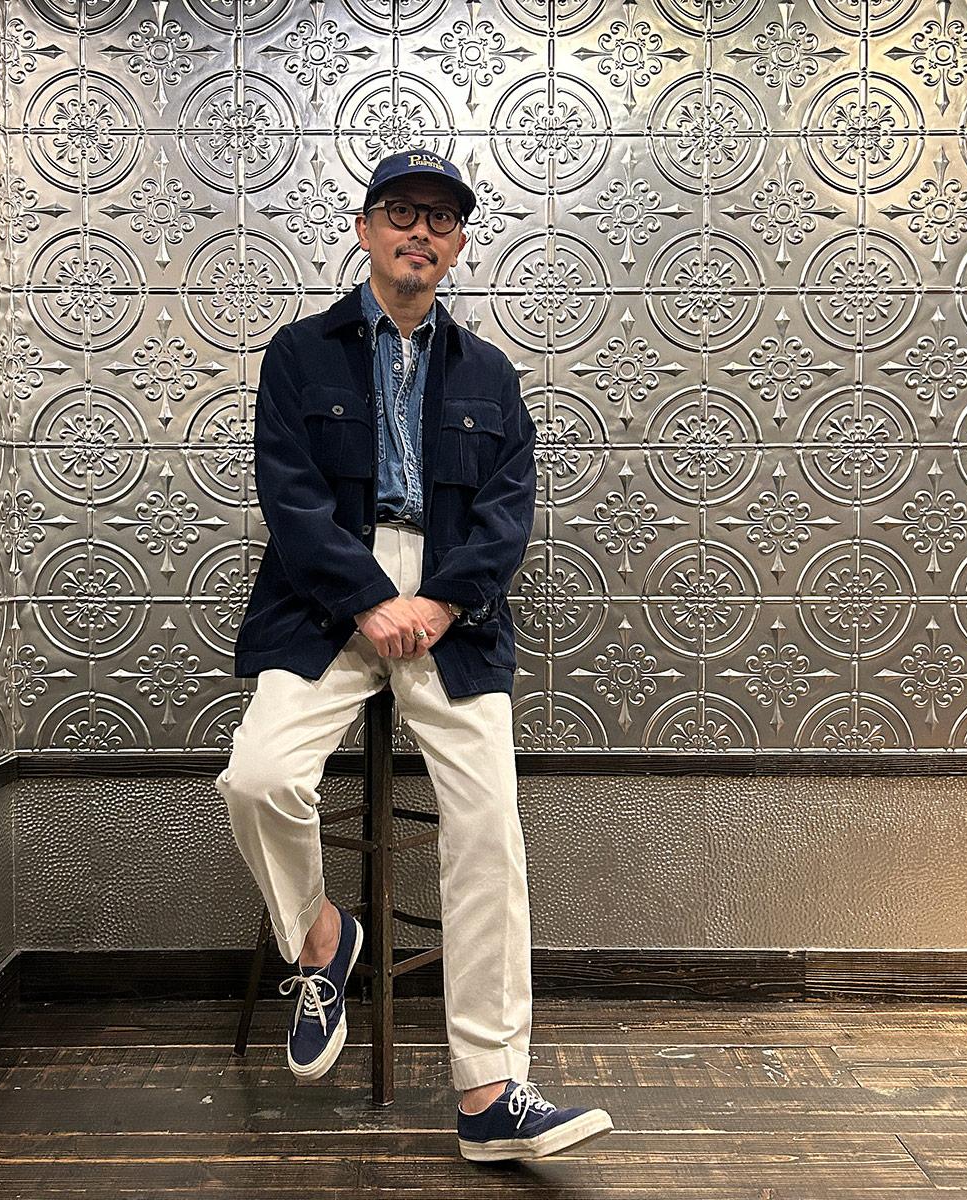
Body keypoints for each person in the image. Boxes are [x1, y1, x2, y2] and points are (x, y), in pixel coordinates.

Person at [215, 149, 613, 1161]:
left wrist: (438, 600)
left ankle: (491, 1091)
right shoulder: (299, 353)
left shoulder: (490, 375)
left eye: (440, 219)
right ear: (364, 230)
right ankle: (321, 940)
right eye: (401, 212)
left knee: (488, 827)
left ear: (459, 244)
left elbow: (508, 512)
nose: (420, 233)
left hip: (452, 609)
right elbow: (290, 498)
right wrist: (366, 598)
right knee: (257, 777)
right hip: (325, 597)